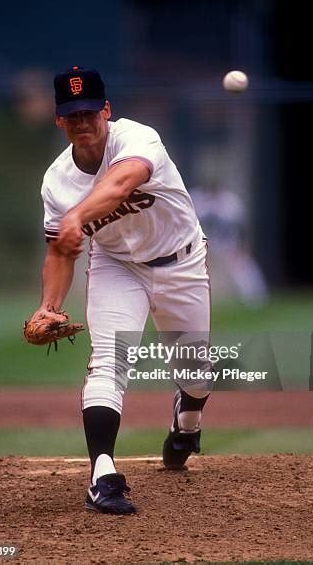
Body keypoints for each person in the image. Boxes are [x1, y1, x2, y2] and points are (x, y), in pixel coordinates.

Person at [29, 67, 211, 515]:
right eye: (73, 115)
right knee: (108, 361)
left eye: (90, 112)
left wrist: (76, 218)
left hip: (182, 262)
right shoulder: (57, 182)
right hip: (117, 266)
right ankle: (103, 475)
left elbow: (121, 182)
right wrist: (49, 305)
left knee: (196, 372)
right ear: (59, 119)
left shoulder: (138, 138)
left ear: (107, 110)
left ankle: (187, 419)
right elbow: (59, 251)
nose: (83, 122)